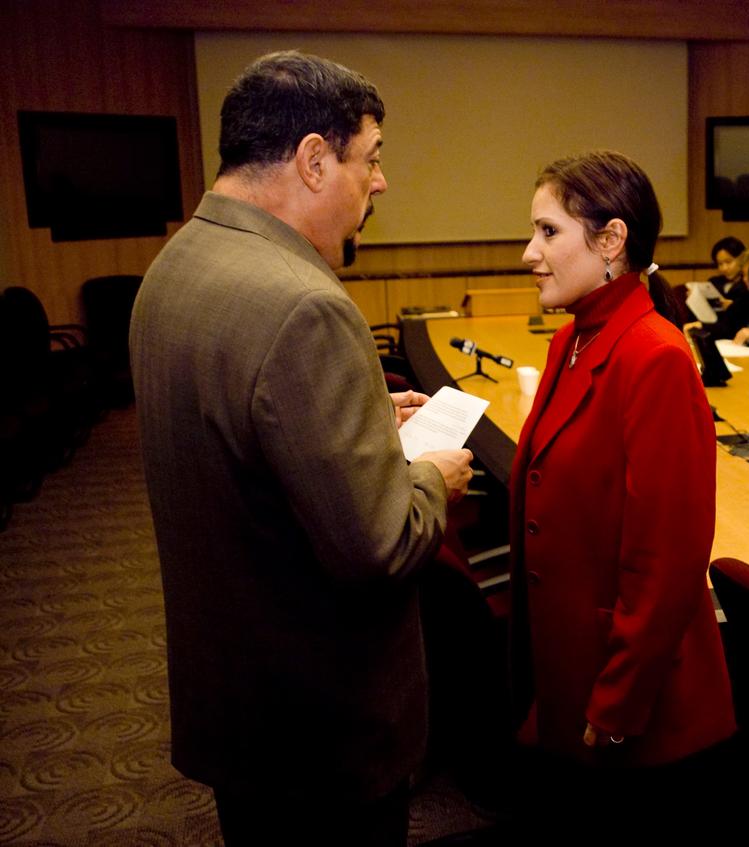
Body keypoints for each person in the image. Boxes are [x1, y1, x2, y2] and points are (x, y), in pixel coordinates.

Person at [129, 51, 474, 845]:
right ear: (315, 159)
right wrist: (429, 473)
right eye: (372, 157)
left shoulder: (179, 262)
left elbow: (241, 427)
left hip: (238, 699)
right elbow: (381, 545)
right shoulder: (305, 305)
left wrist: (350, 414)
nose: (380, 181)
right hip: (319, 726)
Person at [511, 151, 736, 836]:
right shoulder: (571, 341)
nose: (529, 252)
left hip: (633, 704)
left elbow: (667, 562)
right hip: (565, 673)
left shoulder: (656, 355)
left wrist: (614, 704)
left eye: (549, 232)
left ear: (611, 241)